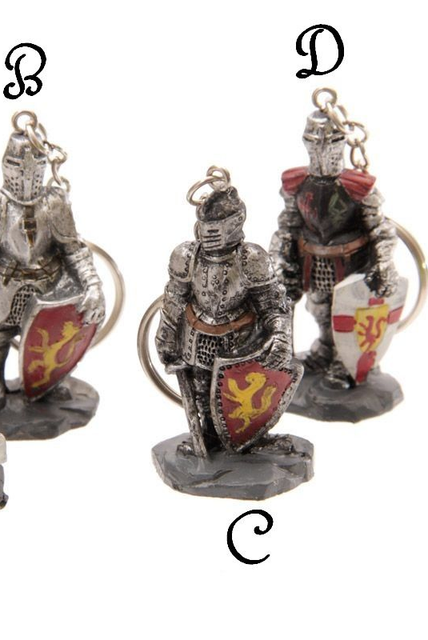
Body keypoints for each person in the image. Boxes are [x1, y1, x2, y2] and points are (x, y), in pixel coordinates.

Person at [0, 128, 105, 411]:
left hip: (49, 286)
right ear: (6, 165)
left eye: (35, 166)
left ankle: (49, 381)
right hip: (3, 285)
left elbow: (73, 249)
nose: (26, 174)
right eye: (17, 165)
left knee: (54, 336)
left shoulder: (54, 202)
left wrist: (93, 284)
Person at [155, 181, 292, 455]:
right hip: (197, 339)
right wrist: (166, 333)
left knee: (239, 397)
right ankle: (209, 438)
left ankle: (247, 440)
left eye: (218, 224)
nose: (210, 231)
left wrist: (280, 337)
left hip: (242, 343)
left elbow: (272, 305)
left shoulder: (250, 258)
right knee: (202, 394)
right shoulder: (187, 256)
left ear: (236, 222)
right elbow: (174, 298)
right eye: (207, 224)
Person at [271, 110, 398, 388]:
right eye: (314, 141)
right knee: (319, 308)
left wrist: (384, 262)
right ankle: (325, 350)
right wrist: (280, 258)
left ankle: (345, 361)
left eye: (328, 142)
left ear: (341, 143)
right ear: (306, 142)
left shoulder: (358, 187)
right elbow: (288, 225)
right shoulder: (296, 184)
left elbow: (380, 229)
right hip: (312, 261)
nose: (321, 148)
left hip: (353, 264)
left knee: (349, 312)